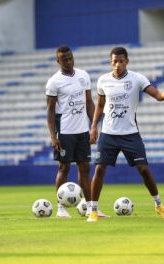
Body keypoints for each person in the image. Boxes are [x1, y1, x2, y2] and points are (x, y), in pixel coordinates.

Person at [87, 47, 164, 222]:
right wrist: (93, 126)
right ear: (110, 62)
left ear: (127, 61)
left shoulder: (137, 79)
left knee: (143, 169)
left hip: (130, 134)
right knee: (99, 169)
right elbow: (100, 105)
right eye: (114, 61)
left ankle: (159, 205)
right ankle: (93, 210)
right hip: (108, 134)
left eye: (121, 61)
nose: (118, 65)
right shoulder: (103, 80)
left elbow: (157, 95)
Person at [46, 45, 108, 218]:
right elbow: (50, 111)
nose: (68, 62)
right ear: (58, 61)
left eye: (70, 58)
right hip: (64, 131)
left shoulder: (83, 76)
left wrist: (93, 126)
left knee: (85, 167)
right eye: (64, 59)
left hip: (82, 131)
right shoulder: (54, 82)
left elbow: (89, 102)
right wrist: (53, 135)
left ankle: (90, 208)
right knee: (64, 167)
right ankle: (60, 208)